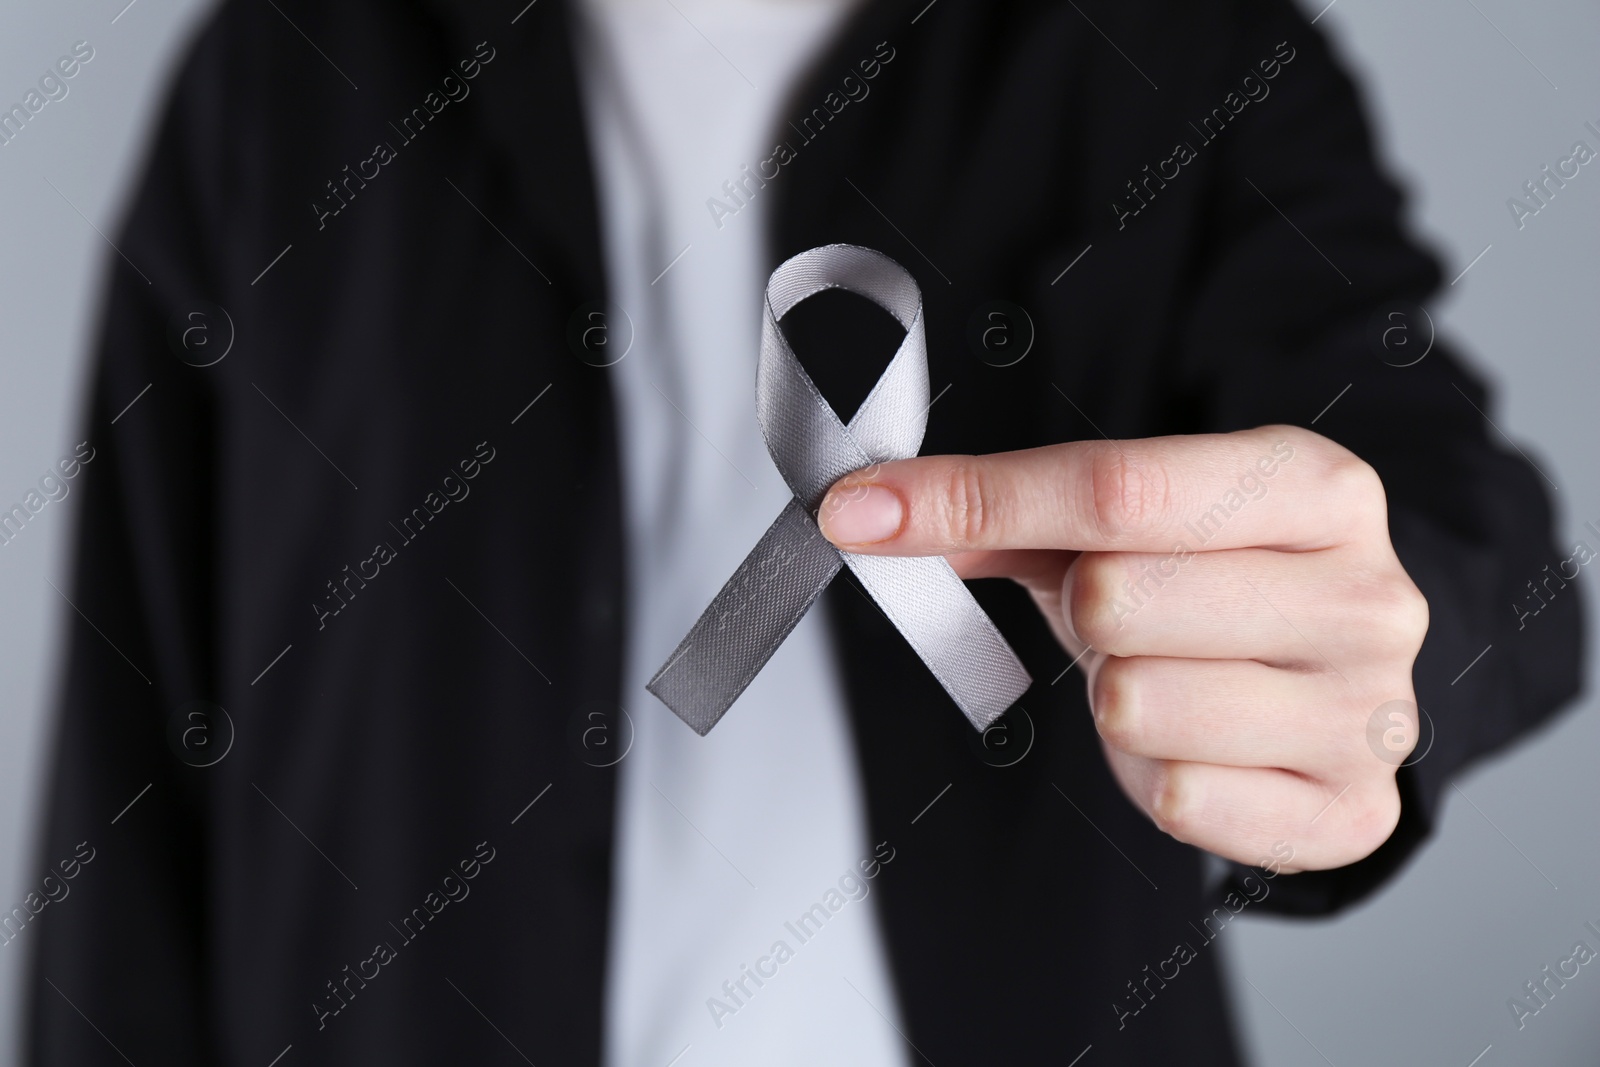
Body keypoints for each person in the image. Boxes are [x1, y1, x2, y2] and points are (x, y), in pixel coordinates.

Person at [26, 0, 1582, 1063]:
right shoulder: (285, 79)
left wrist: (1379, 652)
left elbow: (1469, 532)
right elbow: (137, 743)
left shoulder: (1174, 45)